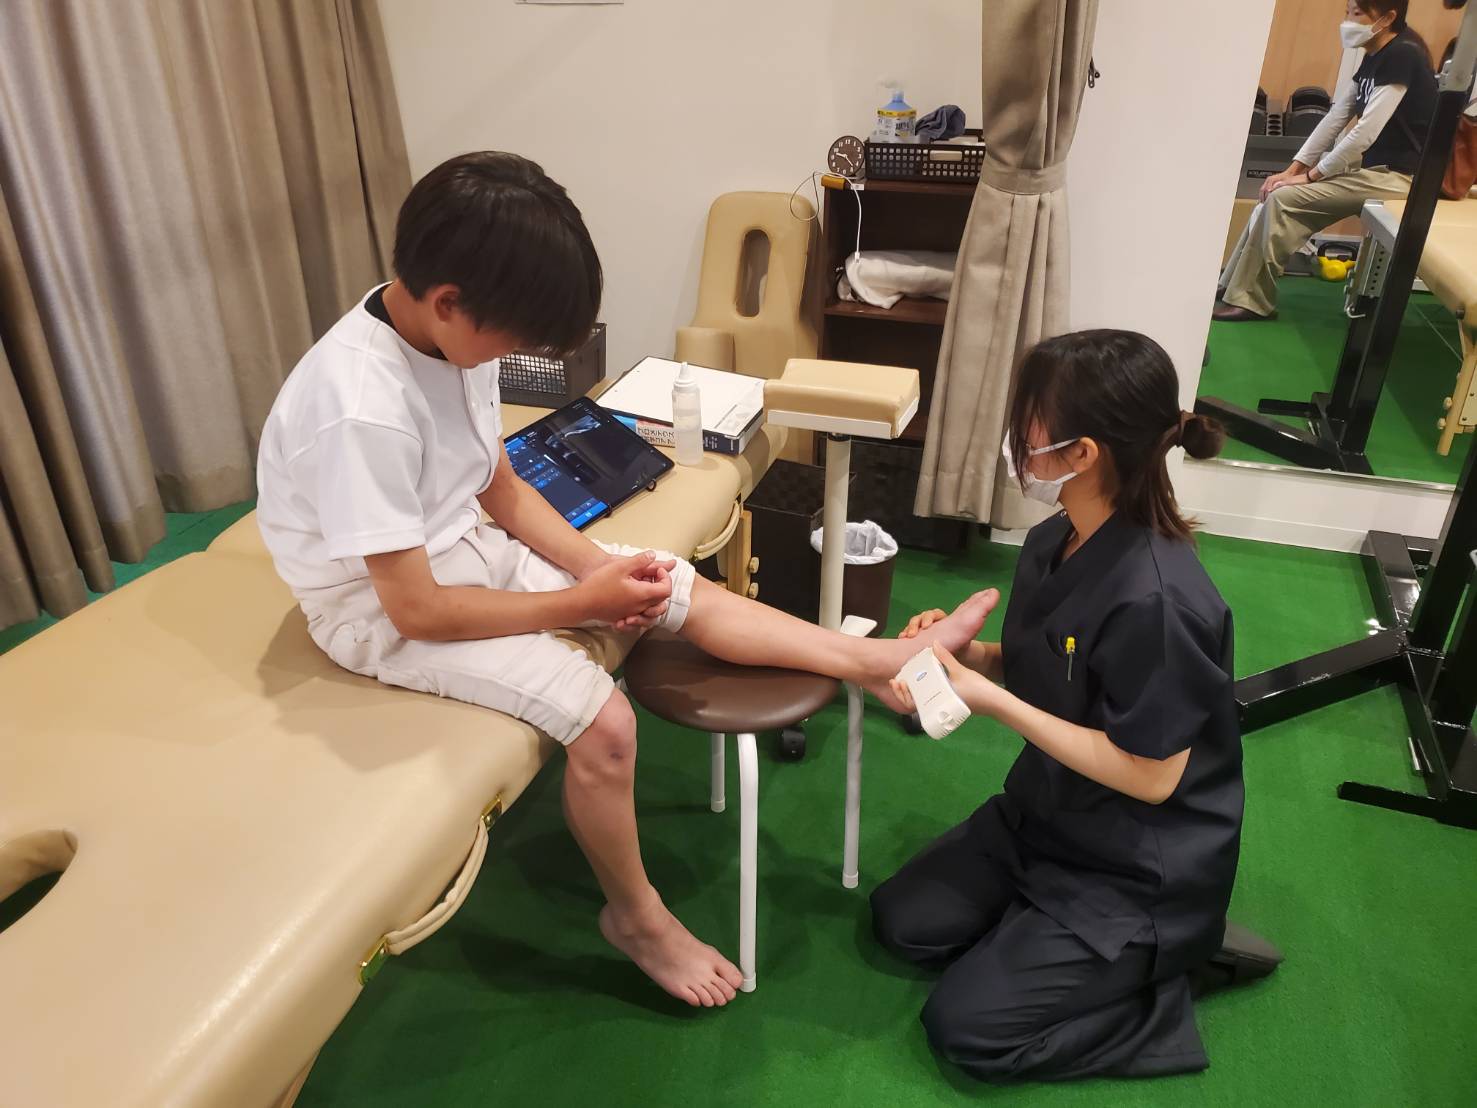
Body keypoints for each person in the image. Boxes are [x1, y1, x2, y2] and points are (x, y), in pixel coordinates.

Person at [254, 150, 994, 1010]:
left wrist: (601, 570)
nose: (515, 355)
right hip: (374, 608)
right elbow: (415, 610)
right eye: (514, 339)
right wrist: (582, 604)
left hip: (453, 546)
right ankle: (636, 918)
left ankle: (874, 664)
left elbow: (499, 487)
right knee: (605, 725)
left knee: (664, 579)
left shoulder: (443, 333)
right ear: (448, 301)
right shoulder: (362, 406)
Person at [872, 330, 1248, 1082]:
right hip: (1044, 819)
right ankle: (1043, 938)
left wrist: (987, 700)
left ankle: (1160, 987)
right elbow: (1051, 665)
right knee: (902, 924)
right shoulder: (1057, 539)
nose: (1015, 432)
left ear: (1082, 453)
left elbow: (1151, 777)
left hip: (1135, 869)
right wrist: (965, 658)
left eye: (1029, 417)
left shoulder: (1160, 602)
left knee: (966, 1031)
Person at [1216, 0, 1438, 321]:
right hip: (1375, 171)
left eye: (1357, 13)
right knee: (1275, 190)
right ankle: (1232, 286)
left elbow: (1364, 133)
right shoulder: (1375, 55)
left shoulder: (1403, 55)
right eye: (1347, 12)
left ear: (1388, 17)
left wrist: (1310, 176)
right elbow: (1336, 117)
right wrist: (1292, 169)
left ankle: (1252, 301)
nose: (1348, 21)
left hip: (1401, 178)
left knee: (1283, 201)